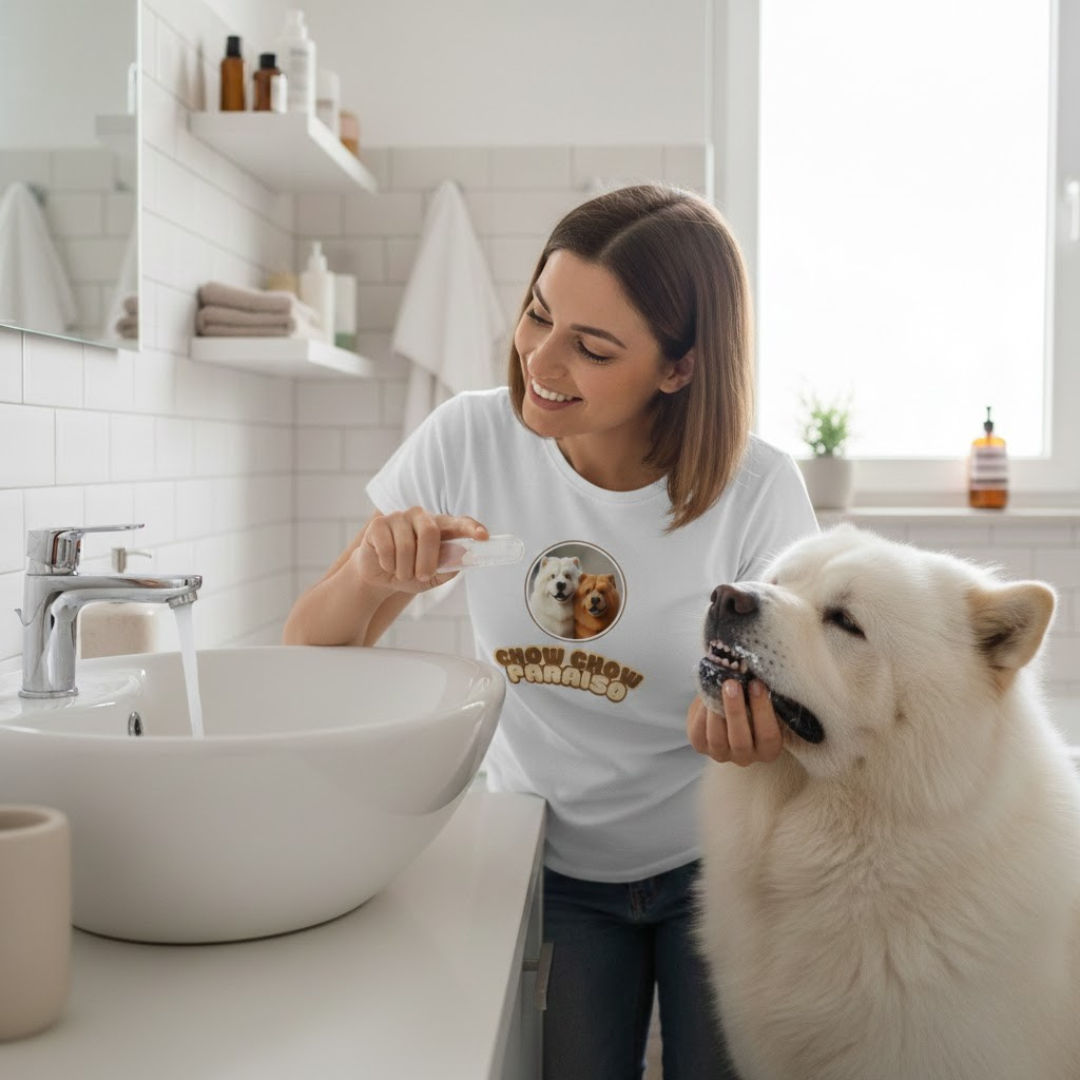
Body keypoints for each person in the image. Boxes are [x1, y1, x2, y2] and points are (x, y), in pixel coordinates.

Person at [283, 183, 819, 1080]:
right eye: (537, 314)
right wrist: (377, 574)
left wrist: (746, 731)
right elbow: (307, 654)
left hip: (717, 868)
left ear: (678, 368)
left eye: (593, 348)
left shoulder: (759, 491)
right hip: (547, 863)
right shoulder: (467, 440)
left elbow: (801, 711)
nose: (541, 359)